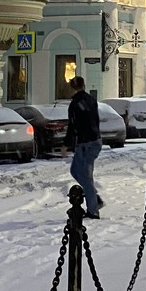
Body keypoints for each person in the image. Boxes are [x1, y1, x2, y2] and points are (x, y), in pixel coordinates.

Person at [66, 76, 103, 219]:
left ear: (73, 87)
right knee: (77, 171)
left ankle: (93, 210)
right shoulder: (90, 100)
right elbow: (95, 120)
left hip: (85, 143)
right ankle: (93, 197)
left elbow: (72, 125)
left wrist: (66, 144)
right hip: (95, 140)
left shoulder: (75, 103)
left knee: (84, 176)